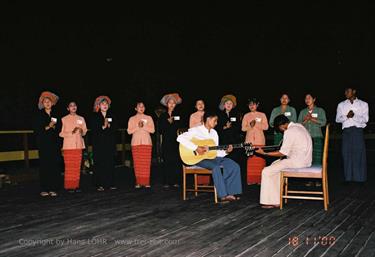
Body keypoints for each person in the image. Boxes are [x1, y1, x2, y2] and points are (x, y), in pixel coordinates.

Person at [177, 110, 242, 203]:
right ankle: (223, 195)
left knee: (233, 165)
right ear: (208, 119)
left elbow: (215, 151)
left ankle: (231, 192)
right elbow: (180, 138)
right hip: (198, 158)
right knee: (215, 167)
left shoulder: (214, 133)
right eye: (215, 120)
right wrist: (196, 147)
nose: (216, 123)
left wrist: (226, 152)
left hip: (212, 157)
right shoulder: (196, 130)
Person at [257, 115, 312, 208]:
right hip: (306, 160)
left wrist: (264, 153)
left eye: (280, 129)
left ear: (282, 126)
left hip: (297, 162)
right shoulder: (299, 126)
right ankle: (276, 199)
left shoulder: (289, 131)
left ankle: (270, 201)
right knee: (274, 165)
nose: (281, 131)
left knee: (266, 171)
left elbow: (282, 153)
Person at [335, 87, 369, 183]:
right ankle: (348, 178)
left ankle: (359, 178)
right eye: (345, 91)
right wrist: (346, 116)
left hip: (358, 131)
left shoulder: (363, 104)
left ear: (354, 91)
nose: (346, 93)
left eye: (348, 91)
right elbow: (337, 119)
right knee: (346, 154)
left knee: (358, 154)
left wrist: (354, 116)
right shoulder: (341, 105)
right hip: (346, 131)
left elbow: (365, 119)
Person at [33, 91, 62, 197]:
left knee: (54, 165)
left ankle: (53, 188)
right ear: (42, 103)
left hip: (54, 145)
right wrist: (49, 126)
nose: (47, 103)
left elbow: (59, 128)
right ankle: (44, 188)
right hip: (44, 144)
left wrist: (53, 127)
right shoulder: (39, 115)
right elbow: (37, 130)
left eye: (49, 101)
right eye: (45, 101)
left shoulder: (56, 115)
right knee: (45, 165)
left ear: (52, 103)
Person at [216, 94, 246, 186]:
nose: (229, 105)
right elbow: (216, 128)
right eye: (227, 103)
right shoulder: (219, 115)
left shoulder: (236, 115)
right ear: (223, 105)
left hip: (234, 142)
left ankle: (235, 183)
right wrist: (224, 127)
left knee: (235, 162)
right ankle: (224, 182)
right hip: (223, 142)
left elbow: (239, 128)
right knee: (225, 163)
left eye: (230, 103)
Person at [91, 96, 118, 191]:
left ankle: (110, 183)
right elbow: (94, 130)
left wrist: (110, 125)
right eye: (103, 104)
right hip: (99, 145)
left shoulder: (112, 116)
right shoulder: (95, 116)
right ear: (99, 105)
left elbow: (115, 128)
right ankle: (100, 184)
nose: (105, 105)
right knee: (100, 163)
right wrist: (103, 127)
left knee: (110, 163)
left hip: (109, 144)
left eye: (106, 104)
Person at [59, 101, 87, 193]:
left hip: (78, 145)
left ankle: (76, 185)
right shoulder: (64, 119)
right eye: (71, 106)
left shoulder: (81, 118)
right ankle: (69, 186)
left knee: (77, 167)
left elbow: (85, 131)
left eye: (74, 105)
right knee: (69, 167)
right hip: (68, 146)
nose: (73, 107)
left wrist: (81, 131)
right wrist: (72, 132)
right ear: (68, 108)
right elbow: (61, 134)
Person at [127, 101, 155, 188]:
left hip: (146, 143)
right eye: (139, 106)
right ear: (136, 108)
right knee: (137, 163)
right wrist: (137, 126)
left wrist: (144, 126)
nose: (141, 108)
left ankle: (146, 182)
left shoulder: (149, 118)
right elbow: (129, 131)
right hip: (136, 143)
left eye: (143, 106)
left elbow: (153, 130)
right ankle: (138, 182)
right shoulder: (132, 118)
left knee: (146, 163)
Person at [241, 98, 269, 185]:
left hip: (260, 141)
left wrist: (256, 124)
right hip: (249, 141)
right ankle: (251, 180)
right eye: (250, 105)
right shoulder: (246, 115)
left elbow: (266, 127)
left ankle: (260, 180)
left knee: (260, 161)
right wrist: (250, 125)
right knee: (250, 161)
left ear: (257, 105)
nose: (252, 106)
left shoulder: (262, 115)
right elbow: (243, 128)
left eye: (253, 104)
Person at [158, 93, 183, 188]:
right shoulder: (162, 116)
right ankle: (167, 182)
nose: (172, 104)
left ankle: (176, 181)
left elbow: (181, 128)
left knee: (176, 161)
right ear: (166, 104)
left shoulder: (179, 115)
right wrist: (167, 123)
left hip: (177, 142)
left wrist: (173, 123)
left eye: (173, 103)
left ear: (175, 104)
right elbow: (160, 130)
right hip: (166, 142)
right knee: (167, 161)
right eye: (170, 103)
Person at [298, 93, 327, 165]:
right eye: (306, 98)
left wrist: (312, 119)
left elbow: (324, 122)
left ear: (314, 99)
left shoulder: (320, 110)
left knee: (317, 159)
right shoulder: (302, 112)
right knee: (306, 159)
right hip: (305, 138)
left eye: (309, 98)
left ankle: (317, 173)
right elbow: (298, 126)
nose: (307, 100)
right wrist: (305, 120)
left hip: (317, 137)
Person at [189, 99, 209, 185]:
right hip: (197, 139)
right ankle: (198, 182)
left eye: (202, 103)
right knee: (199, 158)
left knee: (207, 158)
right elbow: (190, 128)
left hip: (207, 139)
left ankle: (206, 182)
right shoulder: (193, 115)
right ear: (195, 106)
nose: (200, 105)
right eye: (198, 104)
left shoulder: (208, 115)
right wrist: (200, 124)